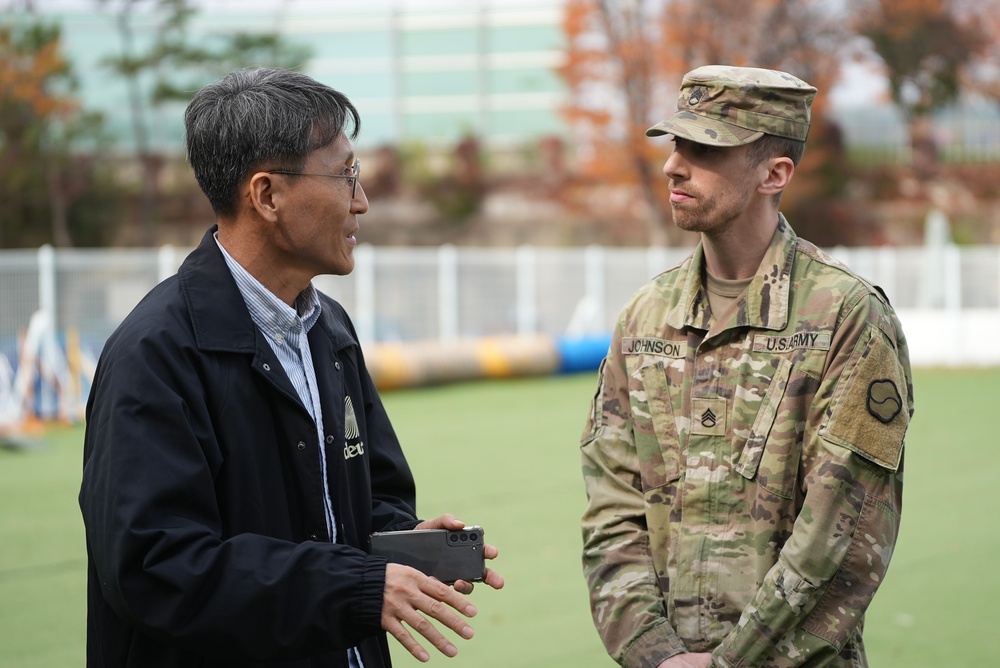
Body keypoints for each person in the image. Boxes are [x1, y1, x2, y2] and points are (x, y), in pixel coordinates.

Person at [79, 67, 503, 668]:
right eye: (345, 175)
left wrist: (403, 546)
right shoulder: (155, 354)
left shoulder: (329, 328)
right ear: (267, 195)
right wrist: (353, 586)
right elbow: (155, 567)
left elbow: (367, 494)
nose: (362, 200)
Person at [579, 65, 913, 668]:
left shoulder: (844, 315)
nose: (673, 165)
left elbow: (844, 535)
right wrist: (655, 655)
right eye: (676, 143)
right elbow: (612, 509)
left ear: (774, 173)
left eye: (704, 148)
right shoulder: (645, 317)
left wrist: (734, 662)